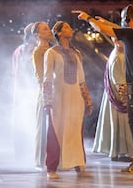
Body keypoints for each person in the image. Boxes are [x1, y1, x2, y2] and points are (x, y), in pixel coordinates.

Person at [74, 4, 133, 174]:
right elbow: (120, 29)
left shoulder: (129, 34)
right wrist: (107, 22)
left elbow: (103, 30)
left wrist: (88, 18)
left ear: (127, 19)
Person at [42, 20, 93, 179]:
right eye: (67, 27)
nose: (71, 29)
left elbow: (82, 79)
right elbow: (47, 78)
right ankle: (52, 167)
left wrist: (88, 100)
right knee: (56, 130)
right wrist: (47, 101)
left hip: (75, 97)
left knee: (75, 130)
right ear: (59, 33)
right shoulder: (51, 53)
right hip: (59, 96)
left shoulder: (77, 53)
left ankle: (78, 163)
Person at [92, 38, 133, 161]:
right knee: (121, 122)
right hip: (118, 95)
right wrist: (124, 98)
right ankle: (122, 151)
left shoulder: (117, 54)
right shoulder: (118, 57)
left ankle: (117, 151)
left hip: (114, 94)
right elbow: (119, 80)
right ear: (116, 42)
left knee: (116, 122)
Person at [11, 22, 38, 163]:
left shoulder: (26, 50)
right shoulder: (23, 51)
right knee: (25, 119)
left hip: (28, 88)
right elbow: (19, 72)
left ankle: (30, 150)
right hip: (26, 89)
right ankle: (24, 150)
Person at [31, 21, 54, 169]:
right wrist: (47, 94)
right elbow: (40, 76)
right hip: (46, 92)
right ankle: (41, 159)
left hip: (56, 90)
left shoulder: (54, 50)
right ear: (38, 34)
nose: (49, 31)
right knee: (43, 126)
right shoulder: (38, 52)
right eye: (45, 29)